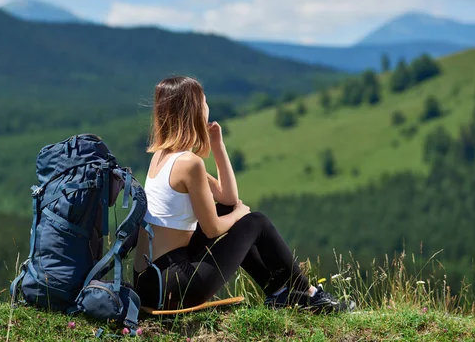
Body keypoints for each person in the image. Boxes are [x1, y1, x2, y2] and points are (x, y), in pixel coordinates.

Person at [133, 76, 355, 313]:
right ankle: (311, 295)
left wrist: (218, 146)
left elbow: (227, 199)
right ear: (195, 109)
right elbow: (213, 229)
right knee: (255, 221)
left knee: (232, 214)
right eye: (204, 101)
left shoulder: (162, 156)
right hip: (174, 286)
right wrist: (240, 214)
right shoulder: (189, 163)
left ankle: (280, 294)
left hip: (148, 282)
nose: (207, 107)